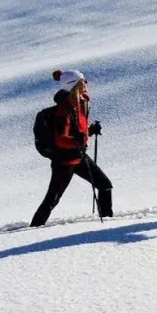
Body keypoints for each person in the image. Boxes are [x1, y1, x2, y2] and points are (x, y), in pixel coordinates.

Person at [30, 69, 113, 226]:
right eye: (83, 81)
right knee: (52, 199)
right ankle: (34, 228)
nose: (86, 83)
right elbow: (61, 138)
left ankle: (108, 223)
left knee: (104, 185)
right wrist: (78, 141)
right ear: (75, 85)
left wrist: (90, 130)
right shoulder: (65, 110)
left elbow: (77, 133)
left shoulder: (80, 103)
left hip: (78, 157)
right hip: (65, 163)